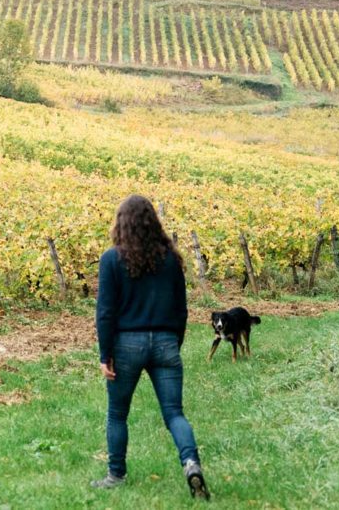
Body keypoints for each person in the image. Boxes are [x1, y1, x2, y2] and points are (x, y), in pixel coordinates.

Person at [91, 194, 209, 500]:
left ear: (121, 223)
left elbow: (105, 312)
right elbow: (181, 309)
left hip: (127, 343)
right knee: (174, 413)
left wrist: (106, 354)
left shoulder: (111, 259)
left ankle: (116, 474)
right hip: (166, 342)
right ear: (153, 222)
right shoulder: (171, 260)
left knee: (117, 413)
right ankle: (191, 462)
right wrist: (175, 342)